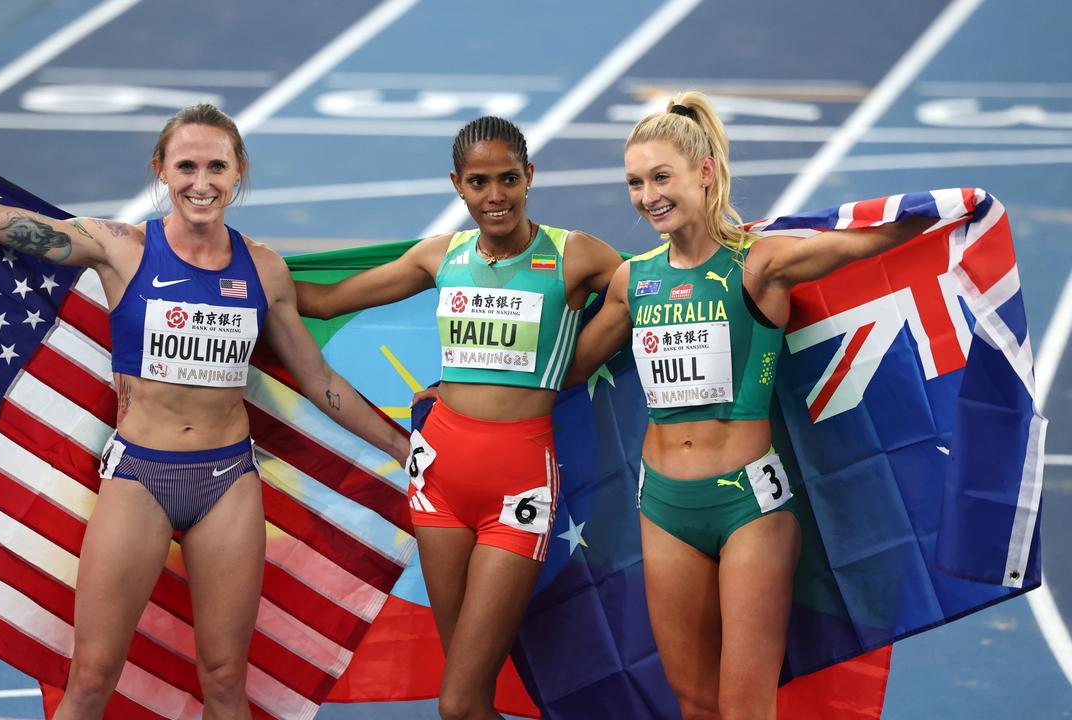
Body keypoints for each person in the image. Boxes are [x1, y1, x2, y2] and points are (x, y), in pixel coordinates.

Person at [0, 104, 409, 720]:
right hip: (140, 475)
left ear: (238, 173)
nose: (201, 182)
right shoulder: (122, 249)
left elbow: (318, 379)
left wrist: (404, 447)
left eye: (216, 167)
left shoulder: (263, 268)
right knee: (90, 677)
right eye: (186, 165)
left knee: (223, 678)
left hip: (228, 482)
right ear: (160, 170)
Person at [565, 91, 934, 720]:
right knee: (693, 702)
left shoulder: (760, 265)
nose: (647, 195)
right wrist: (463, 388)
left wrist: (950, 211)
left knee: (744, 708)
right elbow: (566, 371)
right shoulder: (635, 280)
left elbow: (866, 243)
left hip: (749, 505)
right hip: (661, 506)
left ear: (704, 172)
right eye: (634, 181)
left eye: (661, 177)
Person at [295, 116, 622, 720]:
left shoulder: (573, 255)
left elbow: (647, 286)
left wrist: (575, 363)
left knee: (457, 703)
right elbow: (325, 300)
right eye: (478, 182)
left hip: (518, 488)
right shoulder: (440, 256)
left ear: (530, 178)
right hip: (437, 480)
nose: (494, 196)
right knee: (468, 700)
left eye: (507, 179)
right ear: (457, 184)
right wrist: (233, 270)